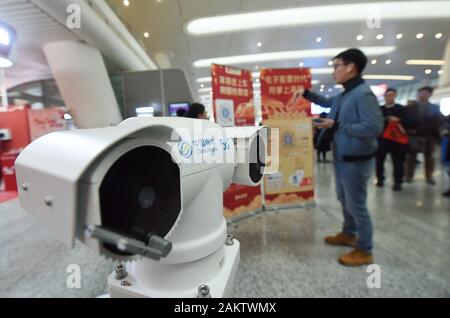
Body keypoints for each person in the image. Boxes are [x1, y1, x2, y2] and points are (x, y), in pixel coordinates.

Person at [293, 48, 383, 266]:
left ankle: (365, 249)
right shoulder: (346, 93)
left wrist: (337, 124)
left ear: (350, 67)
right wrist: (306, 93)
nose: (334, 71)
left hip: (356, 161)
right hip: (343, 157)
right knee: (345, 200)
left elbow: (374, 127)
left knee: (357, 205)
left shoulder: (363, 94)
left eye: (336, 66)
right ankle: (349, 232)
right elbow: (326, 102)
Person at [405, 87, 444, 185]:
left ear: (430, 95)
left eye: (426, 93)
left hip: (429, 136)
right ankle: (409, 176)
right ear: (418, 94)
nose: (423, 95)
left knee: (429, 157)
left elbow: (436, 122)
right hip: (414, 135)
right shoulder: (410, 107)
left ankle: (429, 176)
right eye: (421, 93)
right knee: (411, 156)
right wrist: (410, 130)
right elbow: (406, 120)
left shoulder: (434, 107)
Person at [375, 88, 410, 191]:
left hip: (396, 140)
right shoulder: (379, 109)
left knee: (398, 161)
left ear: (395, 96)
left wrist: (399, 120)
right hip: (382, 139)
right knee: (379, 161)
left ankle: (398, 181)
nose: (388, 97)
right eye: (386, 95)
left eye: (391, 95)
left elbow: (408, 122)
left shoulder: (401, 109)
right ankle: (380, 179)